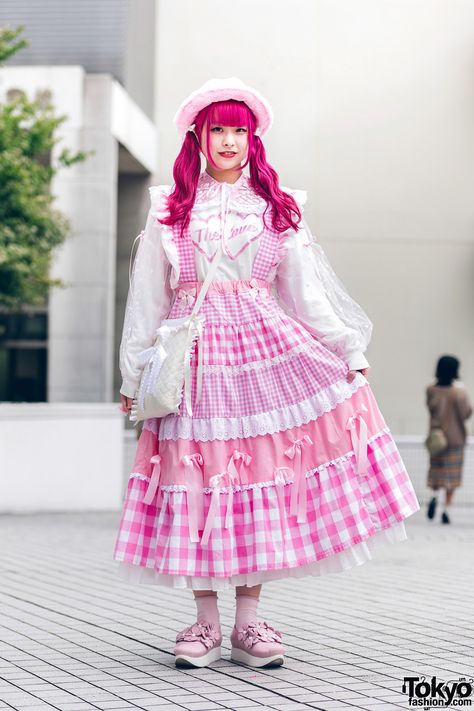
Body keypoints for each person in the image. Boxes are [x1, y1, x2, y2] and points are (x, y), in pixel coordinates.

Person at [113, 77, 420, 669]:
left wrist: (346, 349)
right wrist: (133, 378)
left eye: (239, 130)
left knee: (258, 475)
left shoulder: (276, 210)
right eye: (217, 129)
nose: (228, 141)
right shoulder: (169, 209)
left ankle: (248, 624)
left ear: (253, 140)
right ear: (198, 137)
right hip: (191, 363)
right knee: (194, 477)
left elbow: (305, 294)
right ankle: (204, 622)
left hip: (263, 358)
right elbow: (147, 300)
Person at [426, 355, 472, 524]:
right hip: (455, 439)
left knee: (436, 470)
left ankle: (433, 495)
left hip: (436, 438)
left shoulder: (430, 389)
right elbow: (466, 413)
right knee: (452, 475)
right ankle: (446, 508)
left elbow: (431, 410)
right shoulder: (459, 392)